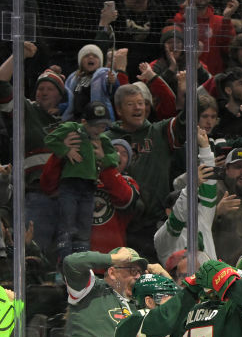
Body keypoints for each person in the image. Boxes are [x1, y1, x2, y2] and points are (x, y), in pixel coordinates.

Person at [0, 44, 66, 265]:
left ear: (60, 95)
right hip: (38, 197)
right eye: (40, 88)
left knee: (64, 263)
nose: (43, 92)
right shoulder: (27, 112)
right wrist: (18, 54)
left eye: (50, 88)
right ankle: (26, 299)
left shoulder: (68, 123)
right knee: (32, 256)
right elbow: (1, 82)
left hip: (68, 198)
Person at [109, 83, 187, 260]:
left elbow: (185, 122)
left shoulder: (159, 132)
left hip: (154, 224)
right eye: (131, 104)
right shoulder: (107, 140)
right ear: (119, 110)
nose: (138, 107)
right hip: (119, 224)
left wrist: (186, 94)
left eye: (141, 103)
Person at [44, 101, 120, 260]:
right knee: (67, 223)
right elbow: (50, 139)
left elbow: (114, 158)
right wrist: (66, 150)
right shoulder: (72, 129)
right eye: (95, 126)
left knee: (84, 226)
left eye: (103, 126)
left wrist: (102, 157)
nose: (99, 130)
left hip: (89, 187)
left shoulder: (103, 139)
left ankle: (81, 263)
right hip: (69, 185)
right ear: (84, 122)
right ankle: (64, 260)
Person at [171, 0, 237, 76]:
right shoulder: (179, 18)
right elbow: (176, 47)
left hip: (212, 79)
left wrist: (227, 17)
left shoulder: (220, 21)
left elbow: (228, 48)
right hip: (185, 76)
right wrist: (186, 18)